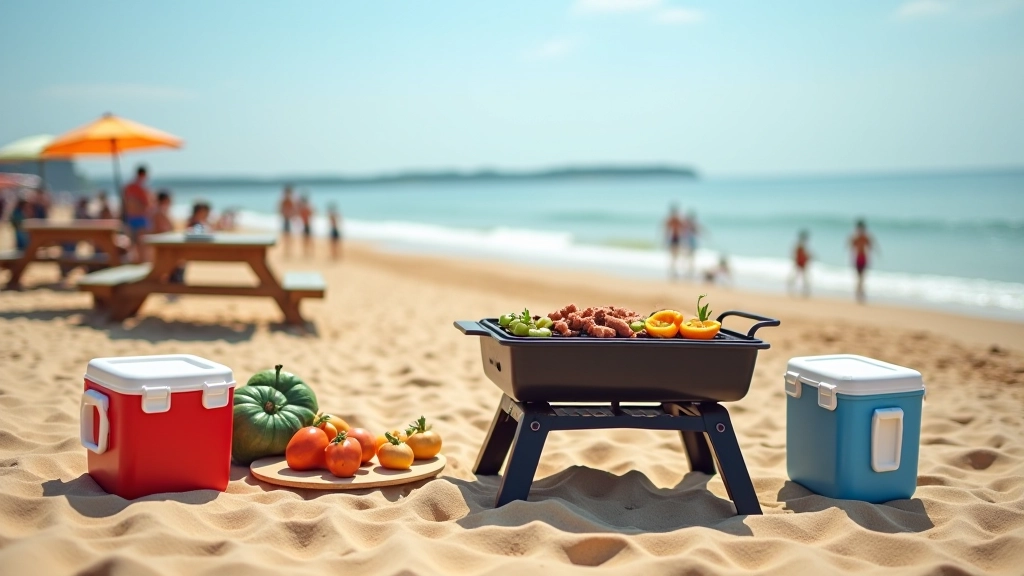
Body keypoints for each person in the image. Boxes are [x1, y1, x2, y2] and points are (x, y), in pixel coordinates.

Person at [123, 166, 155, 262]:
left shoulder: (128, 187)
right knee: (142, 244)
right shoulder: (143, 188)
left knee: (133, 244)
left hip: (130, 217)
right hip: (141, 218)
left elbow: (125, 203)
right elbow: (148, 205)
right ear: (144, 175)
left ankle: (137, 263)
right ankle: (143, 264)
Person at [849, 219, 876, 303]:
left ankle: (859, 293)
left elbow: (871, 246)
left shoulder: (865, 237)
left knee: (862, 278)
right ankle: (859, 293)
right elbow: (851, 246)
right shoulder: (856, 237)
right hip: (858, 258)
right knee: (859, 278)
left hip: (863, 258)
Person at [664, 204, 686, 279]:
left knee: (674, 257)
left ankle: (672, 272)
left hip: (675, 239)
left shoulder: (672, 220)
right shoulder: (675, 220)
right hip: (675, 239)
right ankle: (673, 272)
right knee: (674, 257)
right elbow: (682, 230)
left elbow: (666, 231)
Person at [789, 230, 812, 297]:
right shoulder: (800, 244)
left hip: (801, 263)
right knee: (799, 277)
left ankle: (803, 291)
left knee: (801, 277)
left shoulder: (801, 244)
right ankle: (795, 290)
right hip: (800, 263)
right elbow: (798, 253)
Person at [279, 186, 296, 257]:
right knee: (287, 235)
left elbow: (293, 209)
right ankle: (287, 250)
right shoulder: (286, 200)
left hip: (287, 219)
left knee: (288, 235)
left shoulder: (287, 200)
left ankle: (288, 250)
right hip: (287, 219)